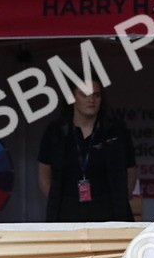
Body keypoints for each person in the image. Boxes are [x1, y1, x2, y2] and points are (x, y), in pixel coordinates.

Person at [37, 83, 137, 222]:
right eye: (85, 95)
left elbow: (130, 170)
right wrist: (59, 201)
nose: (91, 100)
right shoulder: (56, 131)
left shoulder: (116, 130)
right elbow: (44, 174)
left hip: (109, 212)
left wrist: (120, 200)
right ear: (72, 97)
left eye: (96, 95)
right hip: (66, 213)